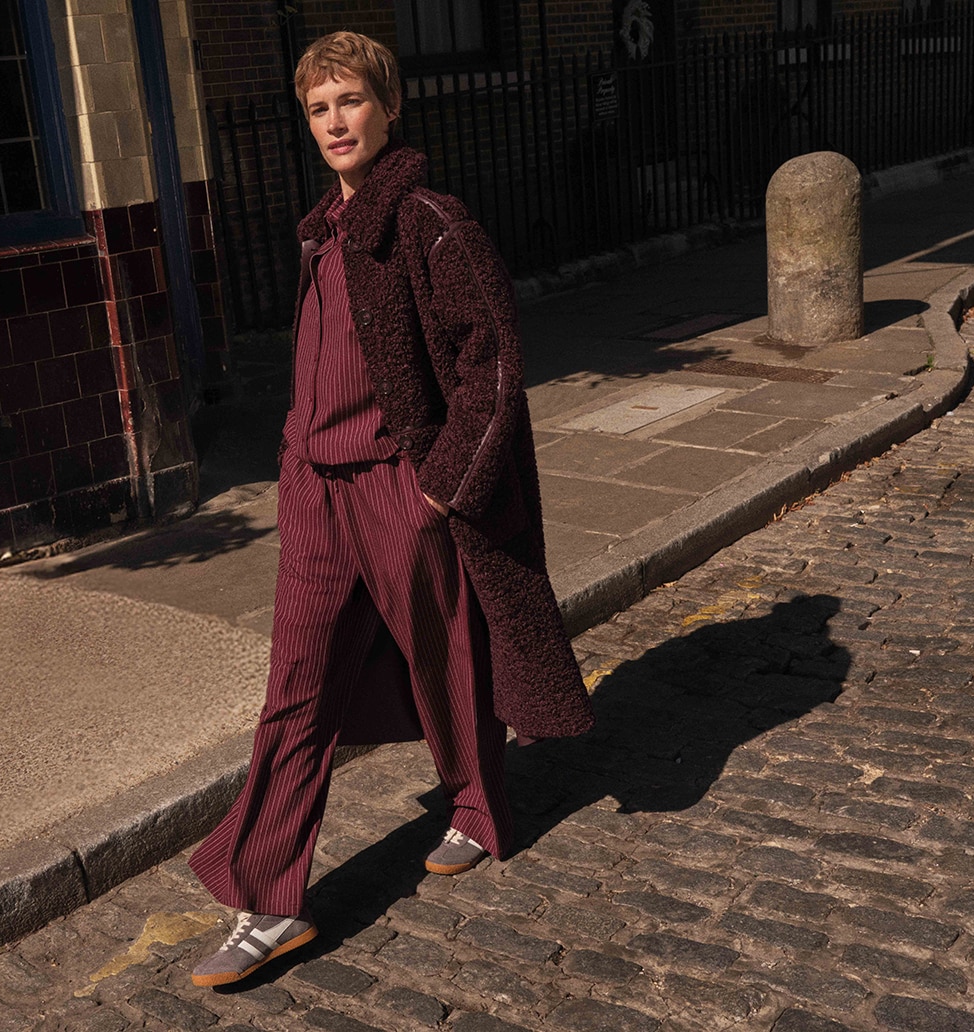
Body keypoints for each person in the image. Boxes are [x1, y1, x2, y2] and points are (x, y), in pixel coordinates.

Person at [186, 31, 593, 988]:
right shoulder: (322, 227)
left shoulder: (427, 220)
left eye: (350, 101)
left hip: (396, 484)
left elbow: (488, 359)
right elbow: (317, 366)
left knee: (443, 658)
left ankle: (476, 806)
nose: (334, 122)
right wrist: (293, 459)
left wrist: (442, 483)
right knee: (296, 685)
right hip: (315, 489)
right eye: (318, 107)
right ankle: (271, 899)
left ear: (390, 106)